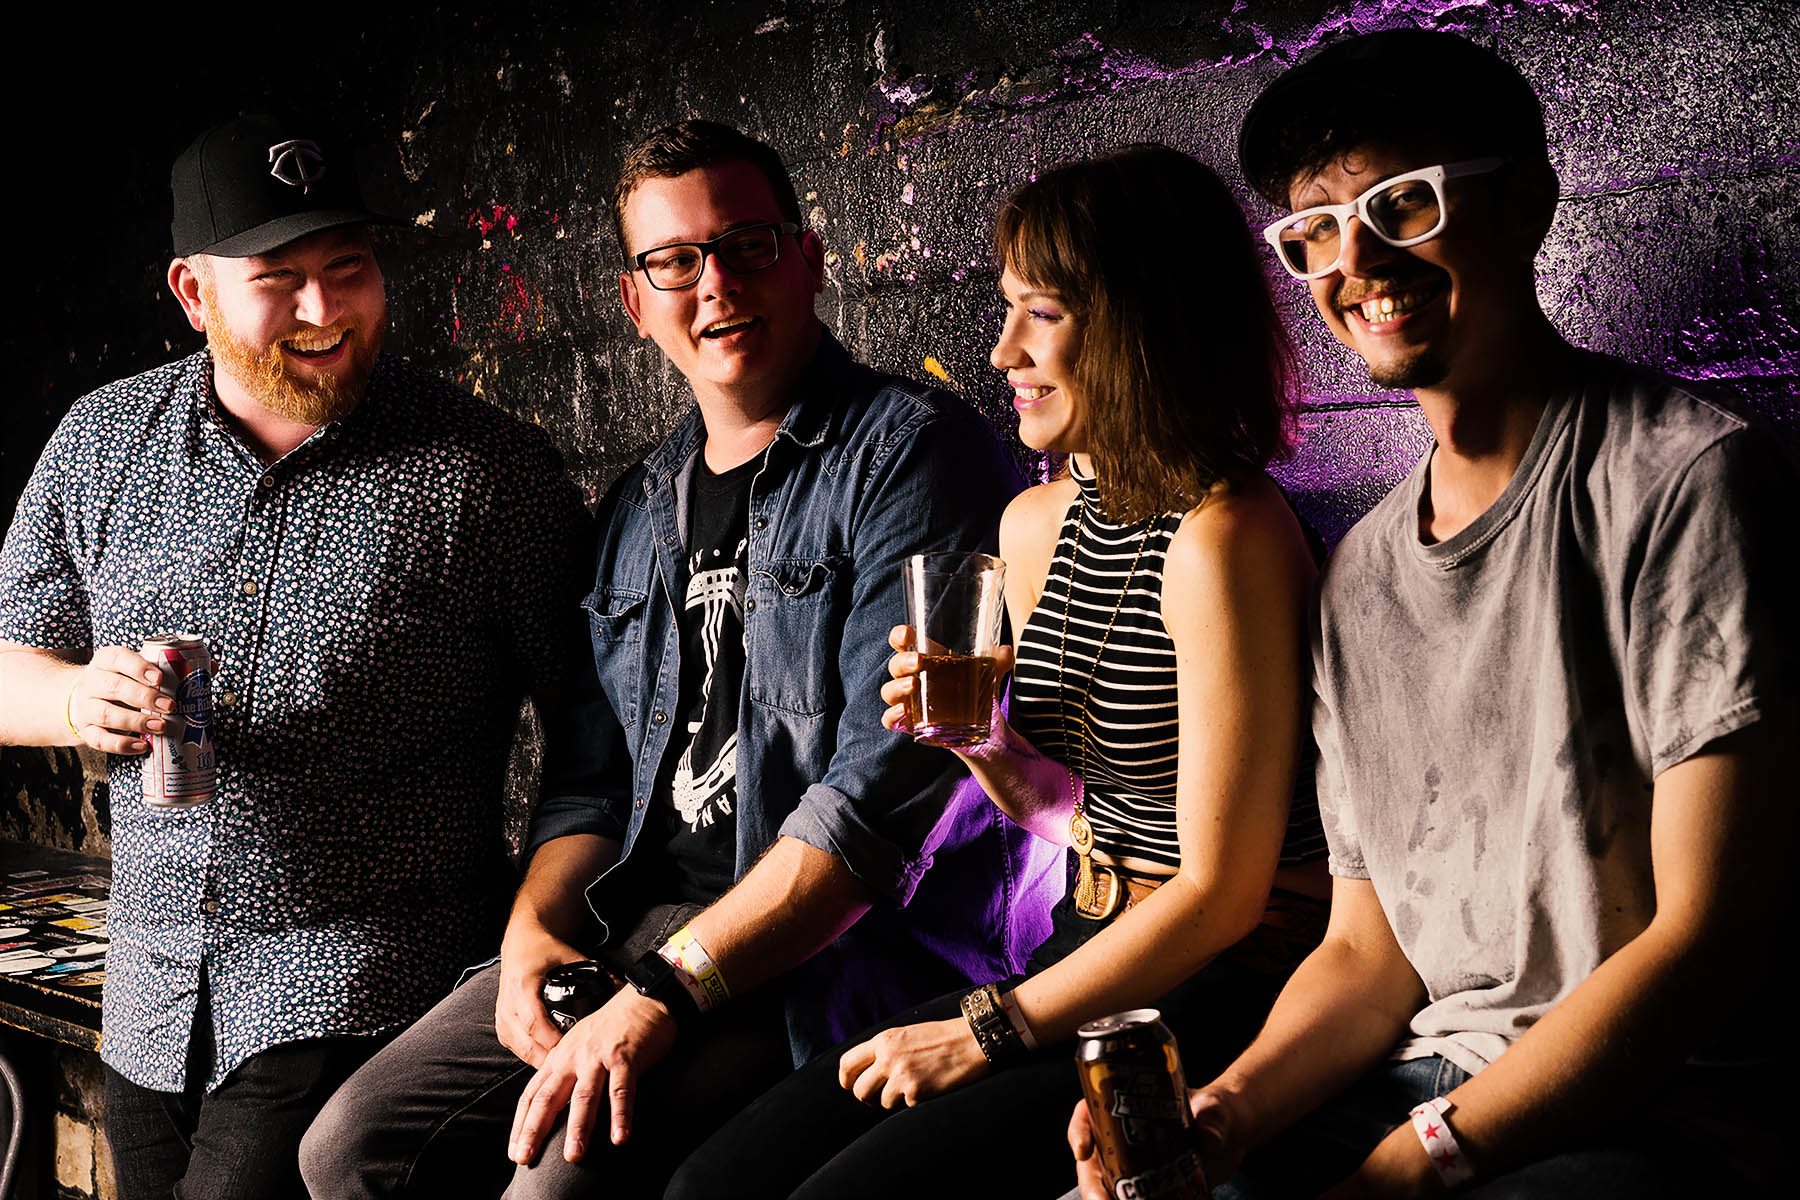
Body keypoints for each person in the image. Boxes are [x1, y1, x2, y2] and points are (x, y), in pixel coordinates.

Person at [1068, 29, 1795, 1199]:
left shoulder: (1686, 481)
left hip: (1653, 1105)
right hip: (1431, 1078)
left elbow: (1701, 940)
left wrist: (1416, 1162)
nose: (1356, 261)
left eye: (1403, 205)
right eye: (1314, 231)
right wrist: (1224, 1115)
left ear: (1526, 206)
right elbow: (1368, 954)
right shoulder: (1361, 572)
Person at [298, 119, 1055, 1199]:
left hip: (819, 949)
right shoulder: (637, 508)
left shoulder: (911, 453)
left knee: (553, 1182)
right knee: (350, 1145)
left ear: (809, 259)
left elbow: (875, 805)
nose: (716, 286)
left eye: (747, 246)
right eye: (674, 261)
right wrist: (531, 935)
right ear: (634, 300)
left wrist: (658, 994)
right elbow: (590, 782)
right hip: (635, 926)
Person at [666, 143, 1329, 1200]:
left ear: (1143, 324)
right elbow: (1075, 814)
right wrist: (980, 745)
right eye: (1008, 307)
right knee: (711, 1185)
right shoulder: (1035, 524)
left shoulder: (1225, 538)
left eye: (1043, 314)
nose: (1003, 349)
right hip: (1086, 939)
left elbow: (1218, 894)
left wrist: (987, 1029)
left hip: (1219, 980)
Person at [0, 113, 594, 1200]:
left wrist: (539, 925)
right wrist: (78, 699)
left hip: (366, 981)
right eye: (278, 280)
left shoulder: (489, 471)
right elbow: (7, 664)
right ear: (193, 293)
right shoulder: (101, 441)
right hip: (150, 987)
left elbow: (599, 742)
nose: (324, 311)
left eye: (348, 268)